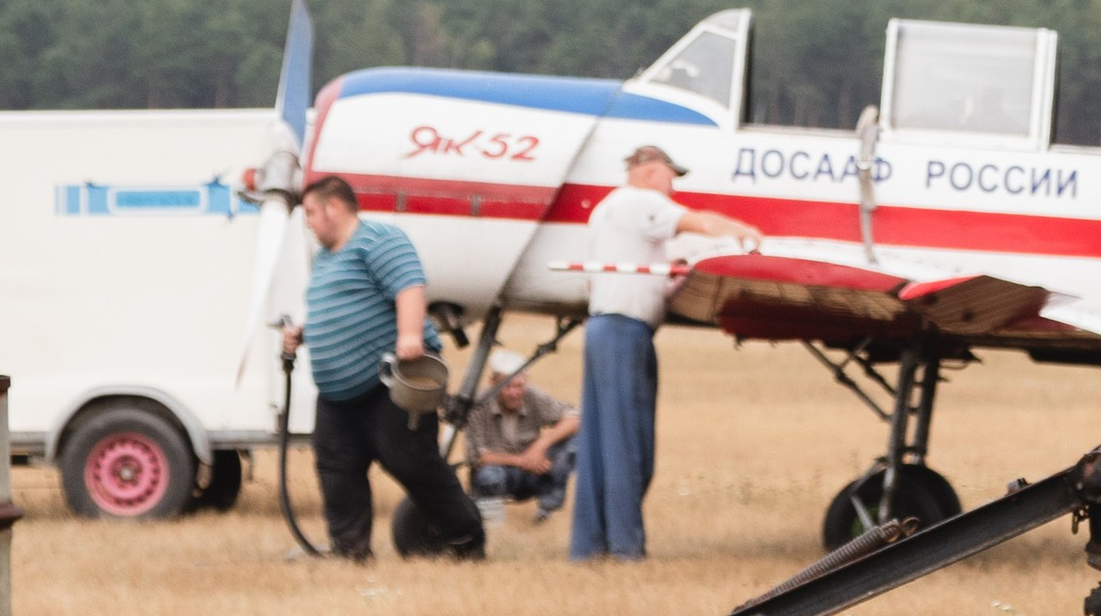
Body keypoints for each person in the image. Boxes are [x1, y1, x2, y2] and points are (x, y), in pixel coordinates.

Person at [289, 174, 486, 563]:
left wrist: (410, 334)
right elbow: (339, 309)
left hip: (390, 381)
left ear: (335, 207)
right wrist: (304, 333)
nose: (308, 221)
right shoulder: (327, 258)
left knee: (411, 462)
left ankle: (464, 539)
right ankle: (350, 552)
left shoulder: (378, 239)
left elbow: (409, 284)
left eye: (311, 212)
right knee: (336, 468)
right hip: (338, 393)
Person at [576, 143, 759, 562]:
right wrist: (744, 232)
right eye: (669, 175)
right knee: (628, 444)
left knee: (599, 444)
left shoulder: (605, 210)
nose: (672, 186)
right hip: (625, 330)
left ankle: (589, 547)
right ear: (648, 173)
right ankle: (626, 548)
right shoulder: (642, 202)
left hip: (603, 324)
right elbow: (700, 223)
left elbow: (594, 279)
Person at [465, 349, 578, 519]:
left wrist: (541, 446)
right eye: (507, 386)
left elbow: (575, 418)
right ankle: (492, 524)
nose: (514, 393)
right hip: (498, 473)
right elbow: (478, 457)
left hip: (532, 472)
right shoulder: (478, 405)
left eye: (519, 385)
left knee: (576, 442)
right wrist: (523, 460)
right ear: (492, 383)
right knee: (489, 475)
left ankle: (546, 509)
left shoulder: (532, 396)